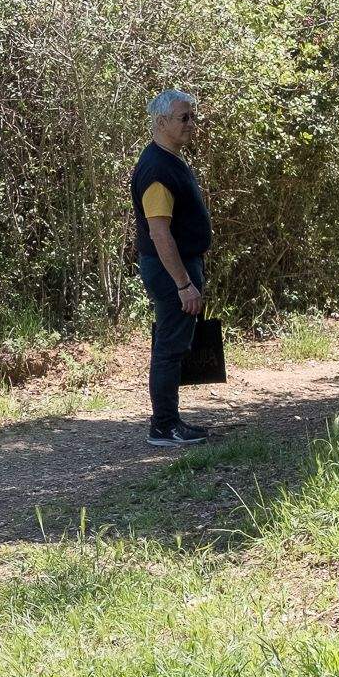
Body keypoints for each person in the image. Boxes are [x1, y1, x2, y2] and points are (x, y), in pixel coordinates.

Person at [130, 89, 213, 447]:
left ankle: (170, 421)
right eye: (184, 118)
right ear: (161, 122)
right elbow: (159, 232)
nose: (191, 124)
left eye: (193, 116)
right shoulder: (157, 170)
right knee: (169, 346)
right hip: (170, 272)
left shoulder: (168, 159)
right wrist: (183, 284)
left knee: (175, 343)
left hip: (179, 267)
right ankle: (164, 426)